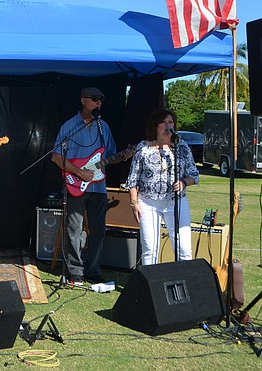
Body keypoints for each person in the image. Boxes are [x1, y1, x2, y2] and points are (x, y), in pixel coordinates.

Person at [50, 87, 116, 285]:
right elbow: (56, 157)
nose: (98, 103)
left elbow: (111, 154)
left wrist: (125, 155)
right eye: (94, 99)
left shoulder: (103, 127)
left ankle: (93, 270)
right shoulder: (70, 126)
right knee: (74, 229)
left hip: (98, 187)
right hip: (75, 185)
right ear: (83, 100)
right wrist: (79, 173)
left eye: (101, 100)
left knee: (98, 230)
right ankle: (75, 271)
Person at [125, 108, 198, 265]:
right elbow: (132, 179)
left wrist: (184, 182)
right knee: (150, 249)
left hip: (176, 202)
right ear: (155, 126)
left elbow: (194, 175)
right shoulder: (143, 147)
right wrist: (134, 203)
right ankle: (150, 280)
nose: (167, 126)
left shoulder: (182, 147)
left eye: (170, 122)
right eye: (163, 122)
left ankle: (184, 278)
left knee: (184, 249)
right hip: (148, 203)